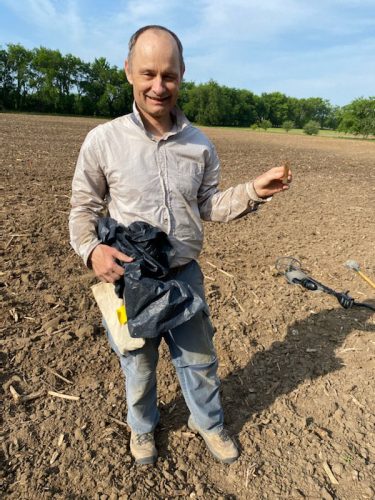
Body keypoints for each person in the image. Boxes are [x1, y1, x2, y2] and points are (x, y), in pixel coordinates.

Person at [69, 25, 292, 466]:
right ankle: (143, 429)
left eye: (168, 75)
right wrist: (92, 250)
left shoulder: (199, 145)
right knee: (139, 365)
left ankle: (207, 423)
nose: (158, 86)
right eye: (148, 73)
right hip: (133, 281)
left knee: (200, 361)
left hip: (185, 276)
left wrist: (254, 190)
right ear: (129, 72)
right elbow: (83, 207)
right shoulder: (104, 140)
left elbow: (209, 205)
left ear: (182, 74)